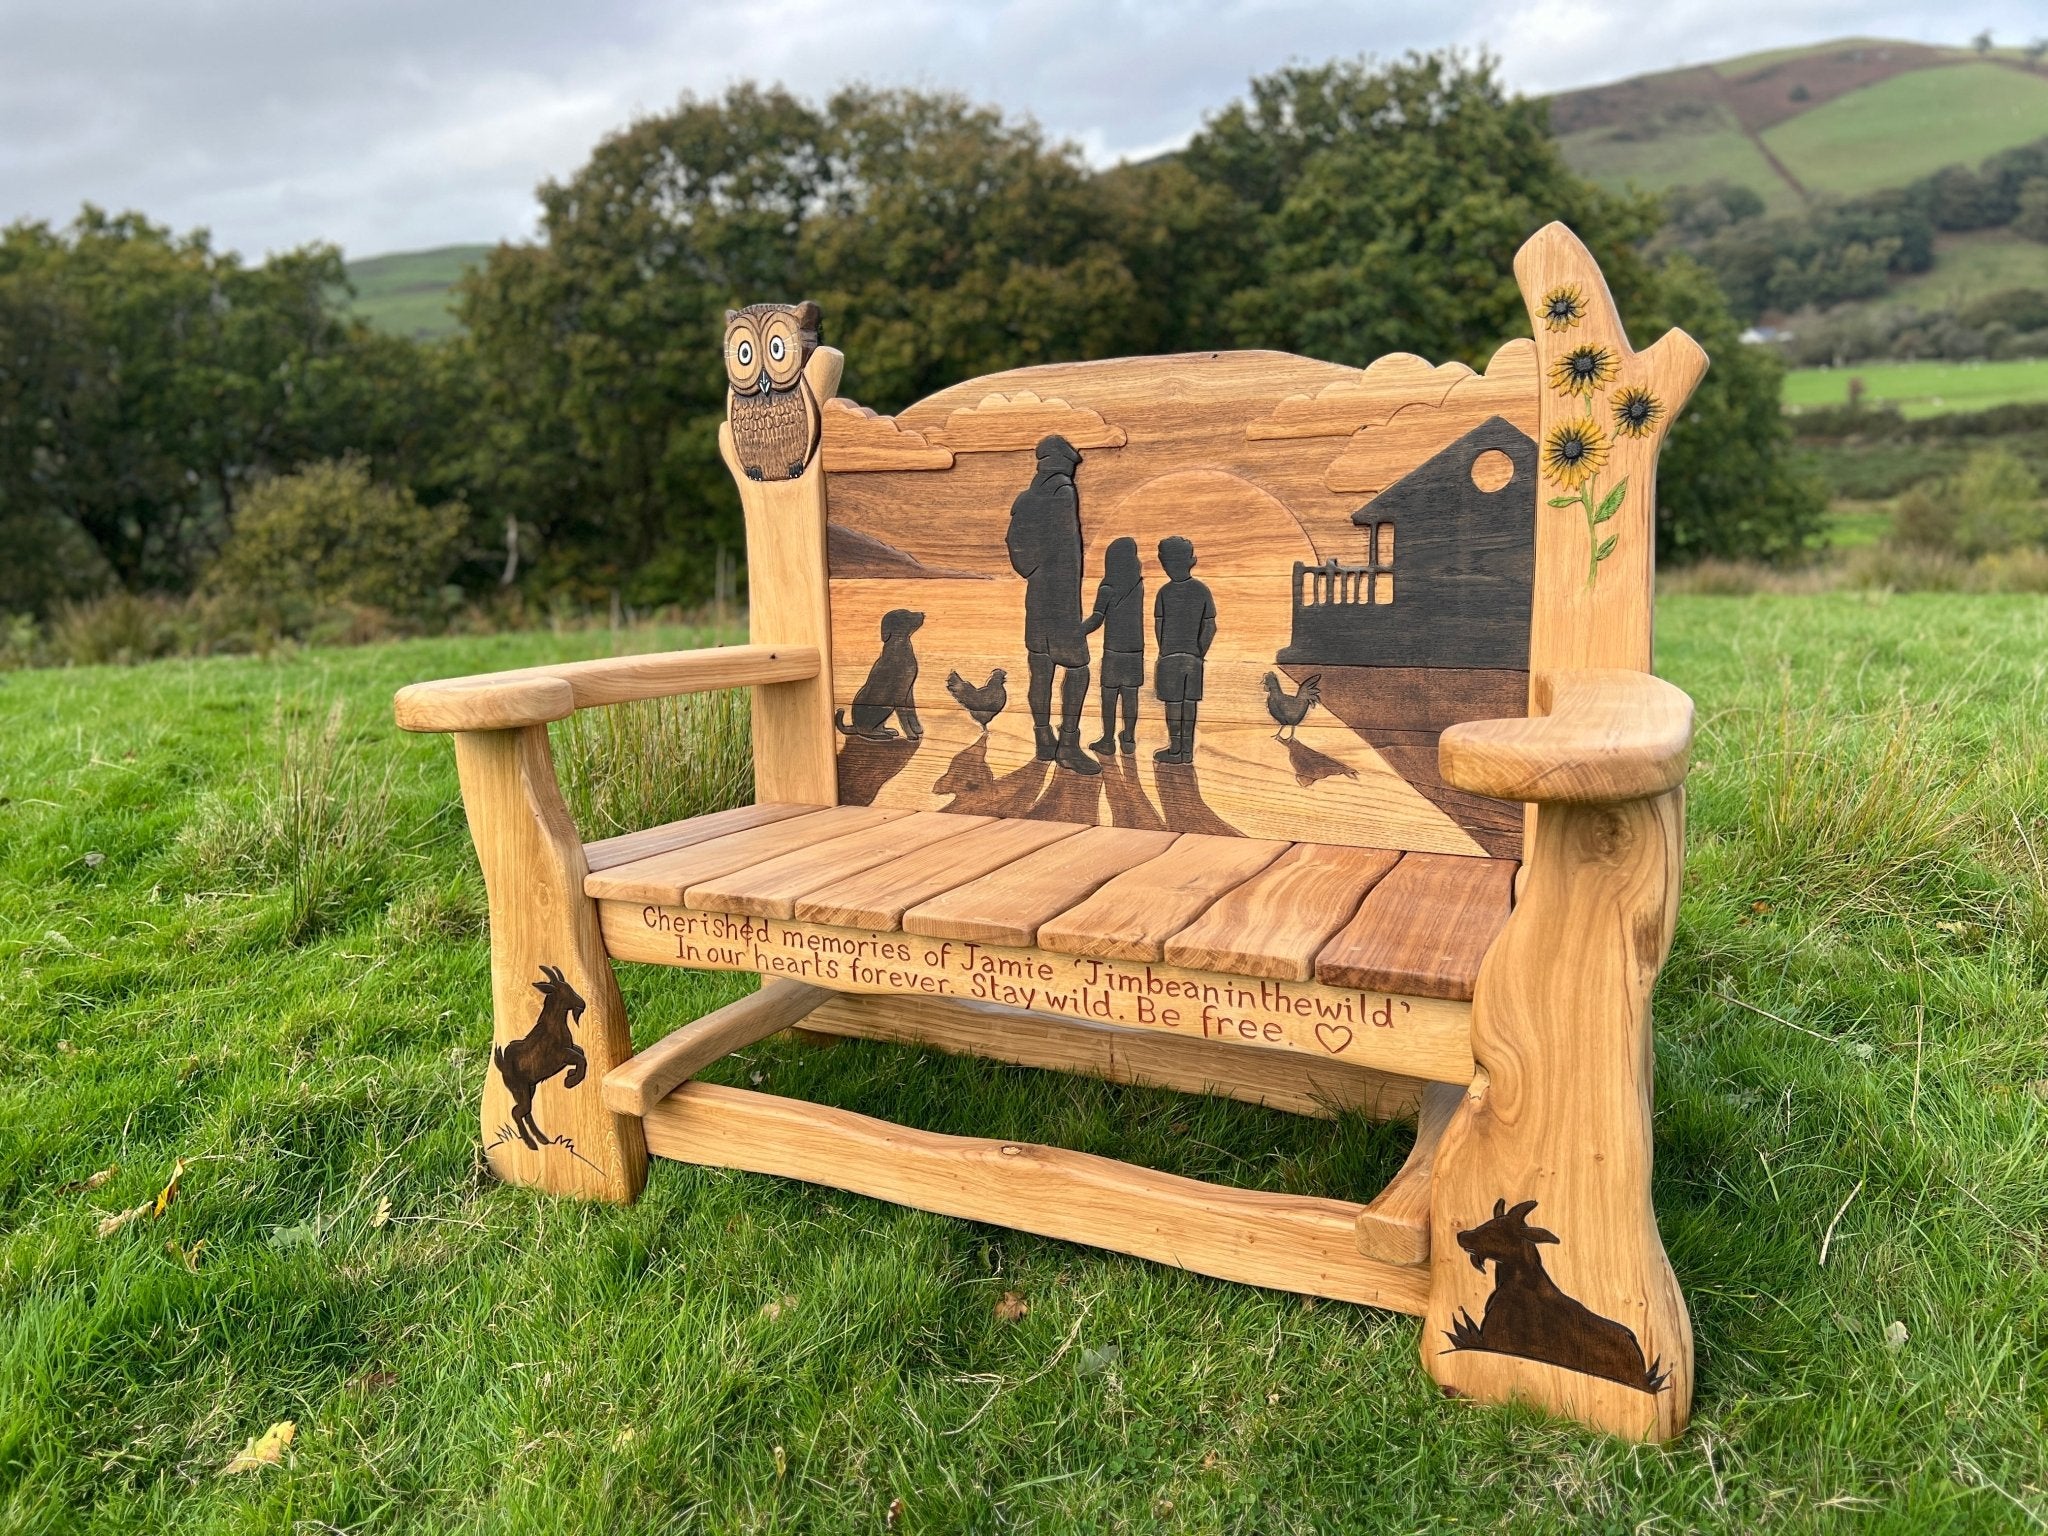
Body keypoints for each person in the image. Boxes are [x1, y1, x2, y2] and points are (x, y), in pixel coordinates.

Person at [1004, 435, 1099, 776]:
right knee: (1078, 667)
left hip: (1037, 597)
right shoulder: (1063, 492)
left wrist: (1032, 571)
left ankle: (1043, 738)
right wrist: (1055, 580)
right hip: (1061, 599)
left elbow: (1014, 541)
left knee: (1040, 667)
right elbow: (1066, 549)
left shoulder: (1025, 498)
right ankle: (1068, 745)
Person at [1152, 535, 1215, 765]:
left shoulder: (1164, 592)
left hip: (1170, 657)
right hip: (1193, 659)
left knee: (1173, 705)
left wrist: (1165, 650)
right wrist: (1198, 652)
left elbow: (1159, 625)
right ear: (1191, 560)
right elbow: (1210, 626)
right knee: (1189, 705)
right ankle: (1186, 751)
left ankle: (1176, 748)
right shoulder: (1202, 590)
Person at [1083, 536, 1144, 755]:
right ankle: (1128, 739)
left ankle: (1108, 740)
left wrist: (1076, 632)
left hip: (1114, 651)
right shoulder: (1138, 586)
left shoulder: (1108, 587)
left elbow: (1096, 619)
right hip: (1135, 651)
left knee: (1109, 695)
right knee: (1130, 696)